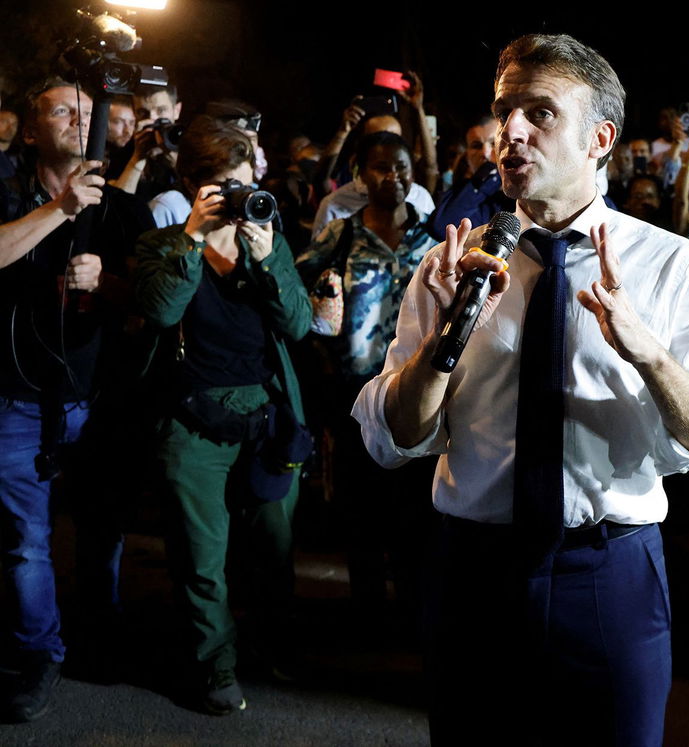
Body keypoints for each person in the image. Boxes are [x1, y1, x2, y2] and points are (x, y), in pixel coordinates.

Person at [352, 33, 689, 745]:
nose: (511, 132)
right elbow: (396, 439)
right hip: (473, 567)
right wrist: (448, 337)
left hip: (609, 571)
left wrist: (646, 350)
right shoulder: (447, 267)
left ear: (600, 138)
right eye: (505, 111)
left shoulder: (669, 267)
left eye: (540, 113)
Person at [133, 115, 311, 716]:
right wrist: (191, 238)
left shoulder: (269, 236)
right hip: (191, 423)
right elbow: (160, 312)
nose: (239, 198)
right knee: (202, 560)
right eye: (223, 187)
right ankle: (216, 666)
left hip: (264, 418)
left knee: (274, 548)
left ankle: (274, 644)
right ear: (192, 185)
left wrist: (264, 258)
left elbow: (297, 324)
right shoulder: (162, 244)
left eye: (244, 183)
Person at [0, 78, 152, 722]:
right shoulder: (10, 193)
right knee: (25, 541)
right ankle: (40, 653)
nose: (78, 119)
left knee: (99, 532)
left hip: (94, 397)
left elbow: (155, 305)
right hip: (15, 396)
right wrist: (58, 210)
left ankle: (100, 632)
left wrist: (110, 283)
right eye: (62, 110)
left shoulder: (119, 209)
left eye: (89, 112)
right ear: (32, 130)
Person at [295, 131, 437, 626]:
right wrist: (322, 334)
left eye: (400, 166)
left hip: (419, 397)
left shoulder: (434, 241)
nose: (392, 176)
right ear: (360, 173)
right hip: (355, 397)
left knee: (416, 508)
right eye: (380, 167)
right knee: (362, 507)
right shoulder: (342, 236)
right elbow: (298, 294)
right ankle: (368, 613)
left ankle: (414, 613)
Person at [427, 116, 514, 242]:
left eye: (493, 143)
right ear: (467, 157)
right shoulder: (463, 194)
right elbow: (440, 228)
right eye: (476, 146)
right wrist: (486, 181)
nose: (485, 152)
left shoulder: (523, 193)